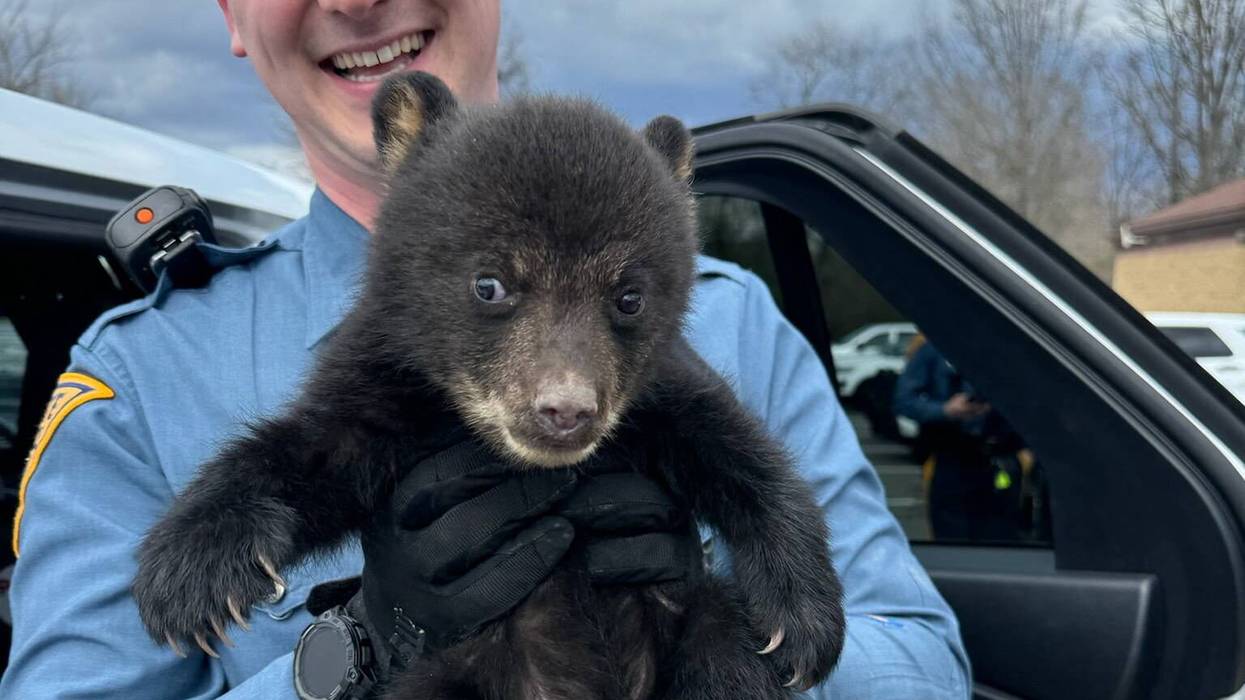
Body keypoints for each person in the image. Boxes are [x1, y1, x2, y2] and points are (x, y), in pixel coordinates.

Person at [2, 1, 970, 697]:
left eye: (620, 303)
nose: (566, 391)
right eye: (497, 291)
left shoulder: (732, 329)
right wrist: (345, 661)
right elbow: (308, 466)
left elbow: (919, 658)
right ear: (231, 13)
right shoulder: (139, 385)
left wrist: (753, 641)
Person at [893, 339, 1028, 542]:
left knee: (1003, 543)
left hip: (1001, 460)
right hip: (952, 460)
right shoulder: (933, 350)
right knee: (952, 541)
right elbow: (903, 400)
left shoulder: (1011, 348)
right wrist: (945, 410)